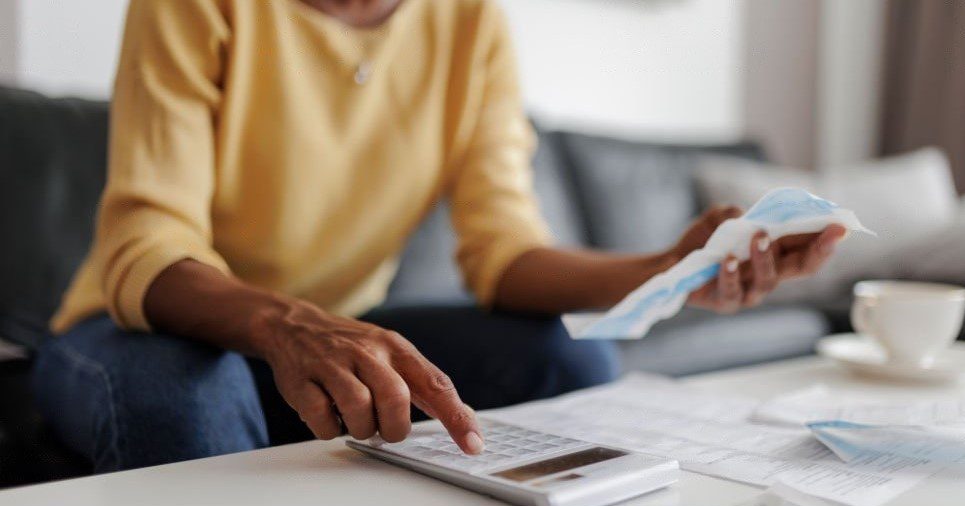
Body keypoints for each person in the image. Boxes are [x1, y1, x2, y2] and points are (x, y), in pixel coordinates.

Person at [33, 0, 846, 473]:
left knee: (572, 357)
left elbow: (504, 253)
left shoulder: (469, 22)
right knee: (192, 396)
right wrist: (286, 322)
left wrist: (667, 270)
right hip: (144, 322)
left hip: (332, 335)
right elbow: (148, 243)